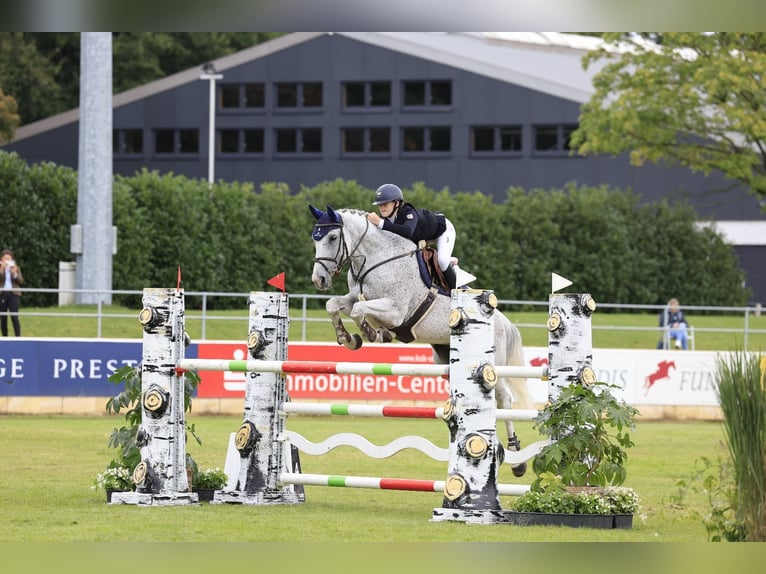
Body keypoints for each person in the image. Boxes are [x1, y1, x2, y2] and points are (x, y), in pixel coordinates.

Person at [367, 183, 460, 289]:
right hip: (424, 233)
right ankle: (451, 261)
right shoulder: (385, 219)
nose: (382, 207)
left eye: (385, 204)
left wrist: (380, 223)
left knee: (442, 261)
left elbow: (407, 231)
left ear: (396, 203)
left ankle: (456, 292)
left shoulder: (408, 211)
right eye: (380, 205)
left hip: (443, 230)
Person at [0, 249, 24, 337]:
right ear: (1, 260)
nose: (7, 261)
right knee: (3, 318)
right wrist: (2, 270)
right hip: (2, 294)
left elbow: (21, 281)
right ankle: (4, 337)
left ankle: (18, 337)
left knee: (14, 317)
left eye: (9, 258)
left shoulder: (16, 268)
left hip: (14, 294)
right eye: (5, 258)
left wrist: (14, 274)